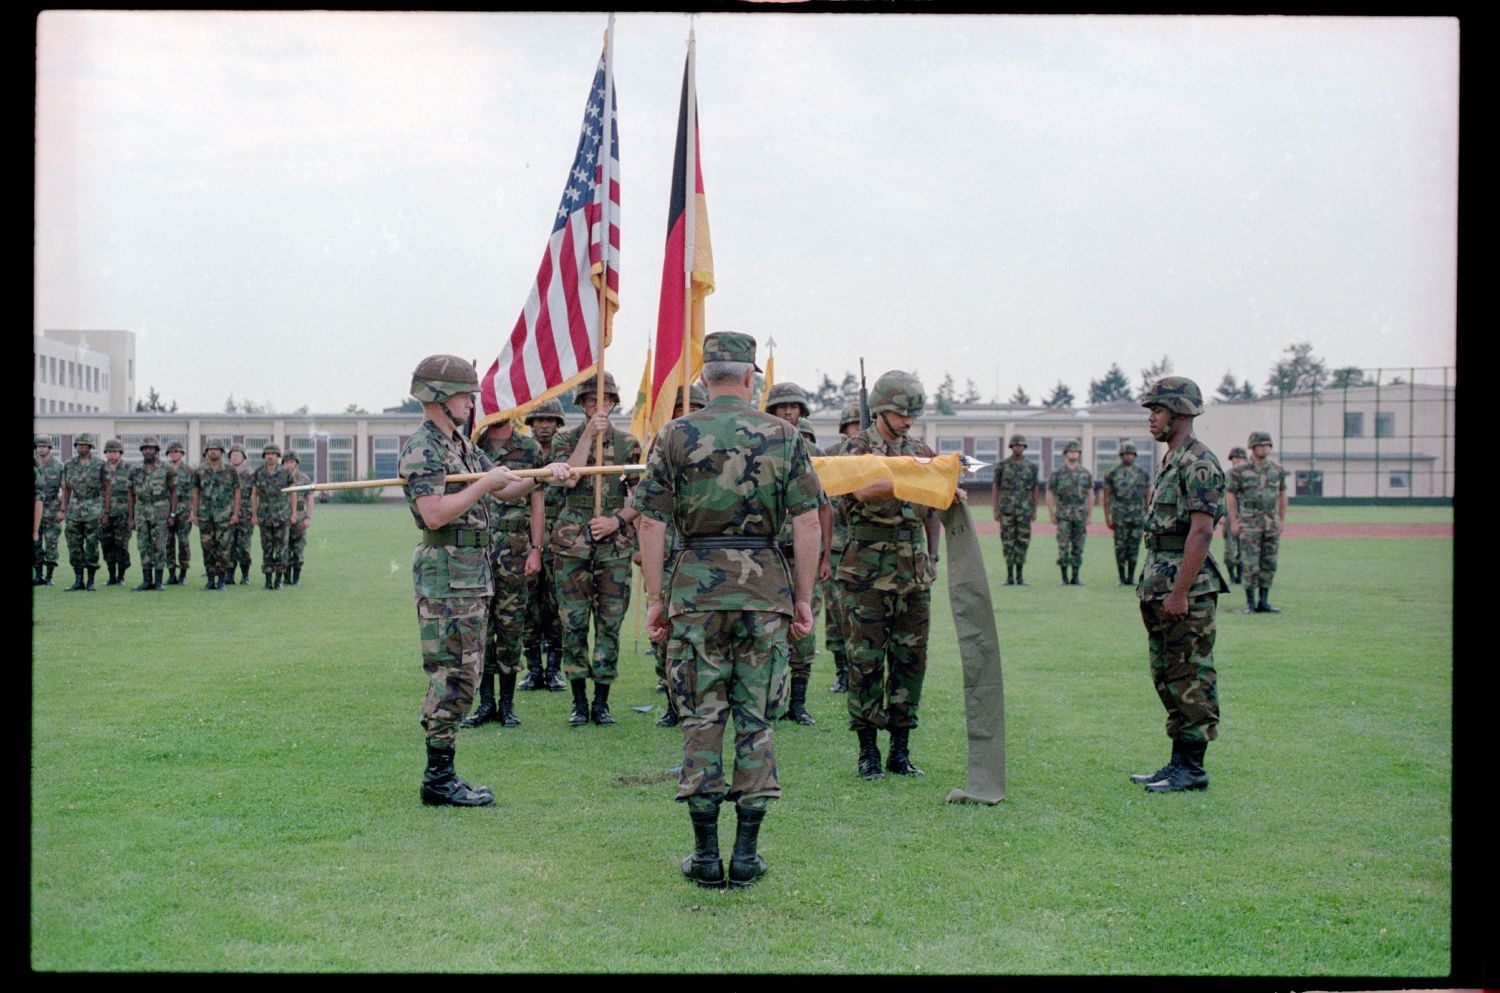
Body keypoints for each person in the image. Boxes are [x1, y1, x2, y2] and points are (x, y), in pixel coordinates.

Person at [634, 331, 821, 888]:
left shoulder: (673, 435)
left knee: (701, 717)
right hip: (765, 591)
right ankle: (745, 857)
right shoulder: (785, 436)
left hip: (694, 593)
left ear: (705, 379)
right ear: (748, 378)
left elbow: (649, 522)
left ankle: (706, 857)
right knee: (756, 719)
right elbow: (808, 522)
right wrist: (804, 597)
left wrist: (655, 598)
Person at [399, 354, 572, 807]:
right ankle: (438, 779)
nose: (470, 403)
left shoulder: (459, 443)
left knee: (467, 672)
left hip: (471, 569)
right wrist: (485, 482)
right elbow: (434, 512)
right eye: (463, 395)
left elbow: (504, 487)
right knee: (451, 674)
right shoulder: (424, 448)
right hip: (447, 571)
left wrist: (543, 478)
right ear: (439, 396)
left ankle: (443, 774)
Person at [839, 370, 956, 779]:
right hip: (866, 572)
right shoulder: (854, 448)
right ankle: (868, 750)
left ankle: (900, 751)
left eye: (912, 415)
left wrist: (934, 556)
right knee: (866, 661)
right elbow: (863, 491)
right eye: (901, 414)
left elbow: (933, 507)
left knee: (911, 660)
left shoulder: (920, 449)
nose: (908, 422)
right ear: (881, 409)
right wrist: (916, 477)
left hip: (913, 570)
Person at [1131, 377, 1229, 793]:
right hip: (1160, 581)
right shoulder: (1172, 460)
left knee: (1190, 676)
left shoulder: (1199, 462)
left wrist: (1180, 592)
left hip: (1184, 588)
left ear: (1179, 412)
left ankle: (1193, 769)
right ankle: (1177, 764)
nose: (1151, 417)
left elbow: (1202, 533)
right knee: (1168, 675)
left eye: (1158, 409)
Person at [551, 372, 642, 727]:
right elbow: (568, 476)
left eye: (603, 401)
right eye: (590, 402)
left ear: (613, 403)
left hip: (613, 546)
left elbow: (642, 496)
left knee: (609, 623)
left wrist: (617, 520)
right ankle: (578, 702)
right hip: (572, 544)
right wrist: (589, 433)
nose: (597, 407)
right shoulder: (565, 439)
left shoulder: (628, 444)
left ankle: (601, 701)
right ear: (581, 406)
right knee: (573, 623)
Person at [461, 416, 544, 730]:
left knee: (510, 625)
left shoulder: (528, 447)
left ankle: (507, 706)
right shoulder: (471, 446)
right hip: (477, 548)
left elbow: (537, 500)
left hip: (514, 546)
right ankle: (485, 705)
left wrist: (536, 547)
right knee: (481, 627)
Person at [765, 382, 833, 726]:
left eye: (794, 407)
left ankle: (798, 703)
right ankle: (771, 701)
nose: (788, 412)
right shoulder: (761, 450)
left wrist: (824, 556)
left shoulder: (812, 456)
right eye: (782, 407)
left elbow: (824, 510)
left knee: (804, 632)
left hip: (802, 557)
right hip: (771, 557)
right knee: (768, 632)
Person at [648, 382, 708, 729]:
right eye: (679, 410)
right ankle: (673, 699)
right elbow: (647, 513)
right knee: (664, 634)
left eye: (693, 408)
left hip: (697, 555)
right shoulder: (664, 447)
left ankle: (697, 701)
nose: (686, 416)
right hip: (668, 553)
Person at [520, 399, 568, 692]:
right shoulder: (524, 455)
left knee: (556, 609)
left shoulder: (566, 455)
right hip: (527, 543)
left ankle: (554, 670)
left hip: (561, 543)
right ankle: (533, 669)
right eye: (539, 420)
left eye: (551, 420)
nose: (545, 425)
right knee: (528, 609)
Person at [822, 403, 863, 692]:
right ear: (845, 428)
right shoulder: (831, 457)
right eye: (855, 424)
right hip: (836, 549)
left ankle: (864, 671)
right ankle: (842, 671)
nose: (859, 430)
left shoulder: (878, 457)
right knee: (836, 614)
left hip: (868, 548)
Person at [1226, 431, 1287, 614]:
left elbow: (1282, 495)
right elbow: (1230, 495)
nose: (1265, 448)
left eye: (1268, 445)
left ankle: (1264, 601)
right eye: (1261, 445)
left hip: (1271, 522)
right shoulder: (1240, 471)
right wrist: (1234, 521)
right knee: (1250, 563)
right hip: (1250, 522)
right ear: (1252, 447)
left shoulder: (1277, 470)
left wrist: (1281, 520)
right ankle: (1250, 603)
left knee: (1269, 563)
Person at [57, 433, 110, 591]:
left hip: (93, 510)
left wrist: (105, 512)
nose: (81, 447)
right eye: (78, 445)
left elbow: (107, 489)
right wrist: (63, 509)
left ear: (90, 447)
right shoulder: (69, 464)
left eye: (84, 445)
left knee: (92, 546)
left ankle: (91, 581)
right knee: (74, 546)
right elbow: (66, 489)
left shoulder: (100, 464)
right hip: (74, 511)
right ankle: (78, 580)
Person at [191, 438, 242, 590]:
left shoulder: (230, 470)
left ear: (221, 452)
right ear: (206, 452)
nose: (213, 451)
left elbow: (237, 492)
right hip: (205, 515)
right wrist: (194, 513)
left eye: (216, 449)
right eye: (210, 449)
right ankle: (210, 580)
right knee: (207, 547)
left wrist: (235, 513)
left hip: (224, 515)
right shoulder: (199, 470)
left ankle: (221, 581)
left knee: (223, 548)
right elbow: (195, 492)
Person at [128, 436, 176, 591]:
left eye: (151, 448)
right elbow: (131, 494)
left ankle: (159, 581)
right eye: (145, 448)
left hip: (160, 511)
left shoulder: (166, 469)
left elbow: (174, 491)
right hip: (141, 511)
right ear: (141, 451)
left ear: (156, 451)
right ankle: (146, 580)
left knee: (160, 546)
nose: (148, 451)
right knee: (143, 546)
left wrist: (172, 514)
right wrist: (131, 516)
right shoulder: (135, 470)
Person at [991, 434, 1039, 586]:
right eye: (1016, 445)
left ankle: (1020, 575)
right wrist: (995, 508)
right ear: (1011, 447)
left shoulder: (1031, 467)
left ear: (1024, 447)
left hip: (1024, 510)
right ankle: (1009, 576)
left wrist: (1034, 509)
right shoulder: (1002, 466)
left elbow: (1035, 488)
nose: (1018, 447)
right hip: (1007, 510)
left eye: (1021, 445)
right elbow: (996, 487)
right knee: (1007, 542)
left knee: (1023, 542)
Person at [1102, 442, 1150, 586]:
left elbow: (1147, 496)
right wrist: (1108, 516)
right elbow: (1106, 497)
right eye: (1125, 454)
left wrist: (1147, 513)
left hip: (1137, 515)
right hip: (1120, 515)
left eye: (1130, 454)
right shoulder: (1112, 473)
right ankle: (1121, 577)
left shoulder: (1142, 473)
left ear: (1134, 456)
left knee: (1134, 547)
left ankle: (1131, 577)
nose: (1128, 456)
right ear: (1121, 456)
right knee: (1120, 547)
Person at [1047, 439, 1093, 586]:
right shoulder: (1057, 473)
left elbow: (1091, 494)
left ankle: (1075, 577)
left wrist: (1089, 514)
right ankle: (1064, 577)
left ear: (1079, 454)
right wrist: (1051, 512)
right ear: (1065, 454)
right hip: (1063, 515)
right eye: (1070, 451)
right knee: (1063, 546)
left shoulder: (1085, 473)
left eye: (1076, 451)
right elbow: (1050, 493)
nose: (1073, 454)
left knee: (1078, 546)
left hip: (1080, 514)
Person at [249, 443, 294, 590]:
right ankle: (268, 580)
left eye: (273, 454)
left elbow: (293, 493)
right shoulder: (259, 473)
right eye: (267, 454)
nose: (270, 456)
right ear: (264, 456)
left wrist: (293, 513)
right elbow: (254, 494)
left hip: (282, 516)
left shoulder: (286, 473)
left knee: (281, 549)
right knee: (267, 549)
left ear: (278, 456)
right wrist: (254, 514)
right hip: (265, 517)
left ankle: (278, 580)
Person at [99, 438, 133, 586]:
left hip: (123, 514)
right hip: (104, 514)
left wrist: (132, 515)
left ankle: (121, 575)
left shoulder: (129, 469)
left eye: (115, 451)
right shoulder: (100, 469)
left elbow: (134, 492)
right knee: (107, 545)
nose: (112, 454)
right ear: (105, 453)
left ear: (120, 453)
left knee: (122, 545)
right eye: (109, 451)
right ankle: (111, 575)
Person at [34, 435, 65, 586]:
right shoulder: (34, 465)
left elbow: (65, 489)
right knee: (35, 544)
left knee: (51, 543)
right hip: (35, 512)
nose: (41, 448)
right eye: (39, 446)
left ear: (50, 448)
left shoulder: (58, 466)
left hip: (52, 511)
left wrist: (62, 510)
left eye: (44, 446)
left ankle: (49, 576)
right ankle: (38, 575)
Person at [164, 440, 194, 585]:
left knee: (183, 542)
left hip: (184, 510)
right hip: (167, 510)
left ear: (182, 454)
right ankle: (171, 573)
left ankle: (183, 573)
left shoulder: (189, 471)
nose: (173, 454)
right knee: (168, 543)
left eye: (176, 452)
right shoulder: (163, 470)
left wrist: (193, 511)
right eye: (171, 452)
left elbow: (195, 492)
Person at [283, 450, 312, 586]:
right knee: (284, 548)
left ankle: (296, 577)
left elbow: (310, 498)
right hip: (283, 516)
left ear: (296, 463)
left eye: (291, 462)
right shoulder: (280, 478)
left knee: (298, 548)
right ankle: (286, 577)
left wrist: (308, 517)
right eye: (286, 462)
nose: (288, 464)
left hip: (300, 516)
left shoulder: (304, 479)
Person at [228, 443, 256, 584]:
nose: (235, 457)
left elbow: (255, 494)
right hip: (228, 513)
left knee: (244, 546)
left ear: (244, 457)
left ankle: (245, 575)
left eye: (238, 454)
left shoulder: (250, 474)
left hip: (245, 513)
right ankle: (229, 575)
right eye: (232, 454)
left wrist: (254, 513)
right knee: (228, 545)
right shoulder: (225, 472)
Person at [1220, 446, 1247, 584]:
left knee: (1244, 549)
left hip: (1247, 517)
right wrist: (1219, 516)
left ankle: (1241, 576)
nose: (1237, 461)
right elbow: (1219, 496)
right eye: (1235, 458)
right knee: (1230, 550)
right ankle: (1232, 576)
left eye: (1240, 458)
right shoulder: (1226, 475)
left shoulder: (1250, 475)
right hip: (1230, 517)